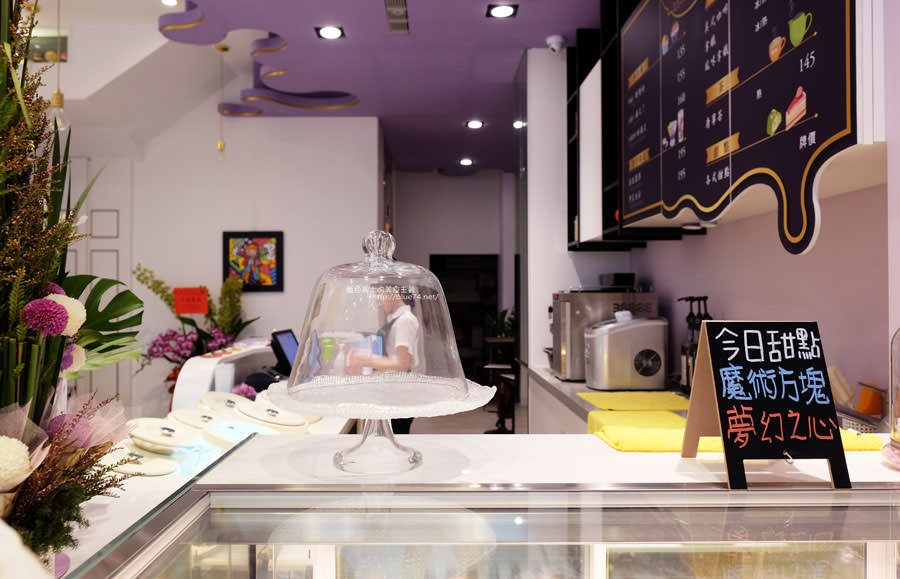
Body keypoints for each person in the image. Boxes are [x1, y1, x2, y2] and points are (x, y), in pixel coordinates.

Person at [346, 284, 421, 434]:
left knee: (396, 436)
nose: (377, 300)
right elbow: (392, 358)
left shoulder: (405, 321)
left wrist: (363, 359)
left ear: (392, 292)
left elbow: (402, 364)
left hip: (400, 395)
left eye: (379, 294)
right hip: (393, 390)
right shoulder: (397, 319)